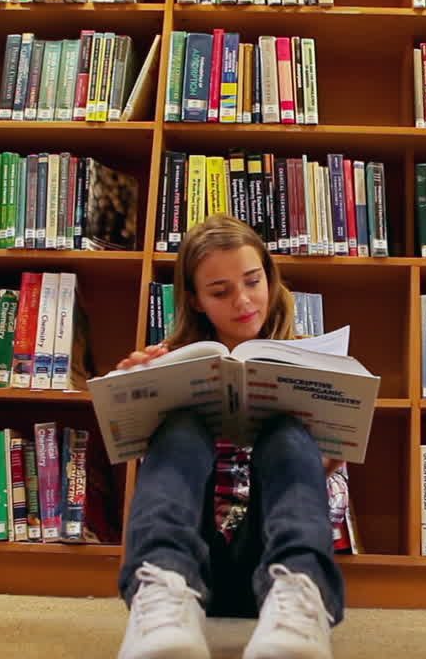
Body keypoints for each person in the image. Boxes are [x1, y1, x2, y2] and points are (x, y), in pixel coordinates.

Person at [114, 214, 345, 659]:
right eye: (220, 291)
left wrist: (325, 470)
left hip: (274, 558)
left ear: (270, 280)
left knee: (288, 430)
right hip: (190, 557)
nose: (243, 301)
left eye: (253, 282)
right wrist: (132, 401)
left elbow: (334, 515)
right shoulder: (171, 363)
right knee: (180, 425)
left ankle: (302, 594)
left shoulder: (313, 364)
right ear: (197, 300)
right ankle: (160, 590)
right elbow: (155, 483)